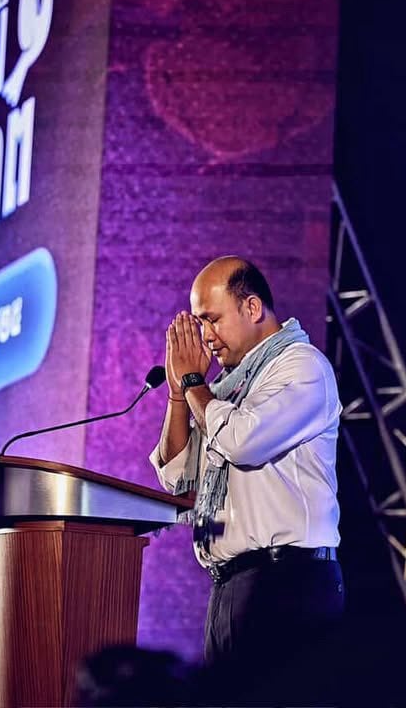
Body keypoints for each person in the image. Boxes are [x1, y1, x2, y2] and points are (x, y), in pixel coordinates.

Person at [149, 256, 345, 704]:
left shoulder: (301, 366)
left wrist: (195, 382)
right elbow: (178, 476)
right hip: (232, 587)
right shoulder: (223, 390)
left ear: (252, 307)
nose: (205, 336)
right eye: (199, 323)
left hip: (287, 583)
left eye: (212, 319)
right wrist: (179, 393)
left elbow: (243, 441)